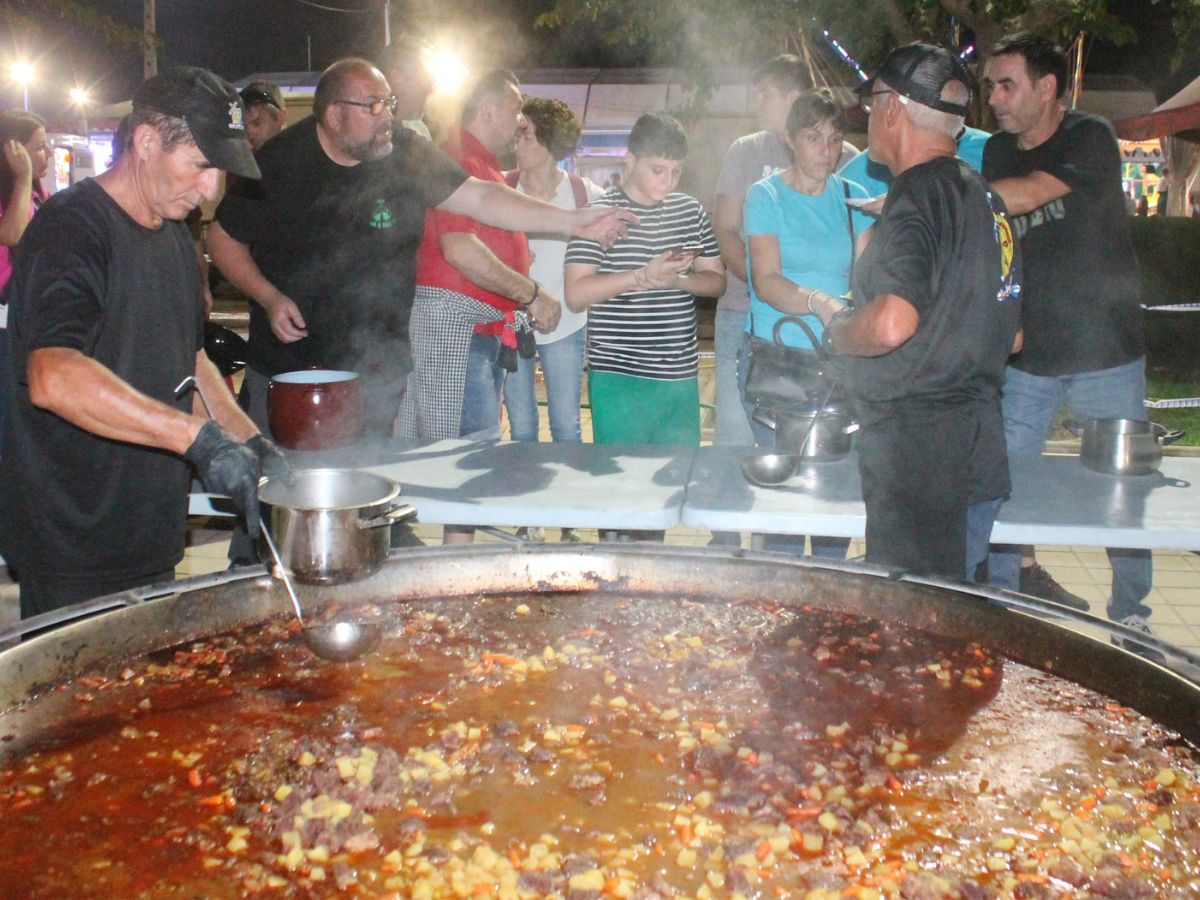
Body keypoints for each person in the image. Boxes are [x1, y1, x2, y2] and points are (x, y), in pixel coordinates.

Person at [209, 58, 631, 561]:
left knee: (365, 495)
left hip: (376, 365)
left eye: (388, 102)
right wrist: (269, 296)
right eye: (372, 106)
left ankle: (359, 582)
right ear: (333, 114)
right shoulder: (278, 164)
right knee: (275, 500)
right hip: (289, 370)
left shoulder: (404, 153)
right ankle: (257, 581)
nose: (387, 115)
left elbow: (481, 198)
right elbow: (222, 239)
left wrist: (573, 222)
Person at [0, 67, 281, 619]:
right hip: (72, 539)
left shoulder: (175, 237)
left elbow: (190, 363)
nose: (210, 189)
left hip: (149, 533)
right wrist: (198, 442)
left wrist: (255, 448)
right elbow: (52, 374)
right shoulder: (71, 229)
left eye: (218, 171)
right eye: (201, 166)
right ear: (147, 142)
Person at [811, 43, 1022, 579]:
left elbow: (890, 323)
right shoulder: (987, 199)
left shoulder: (916, 195)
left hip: (919, 460)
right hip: (977, 455)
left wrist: (839, 330)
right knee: (956, 628)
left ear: (891, 108)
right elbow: (1012, 337)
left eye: (869, 107)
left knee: (915, 640)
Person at [981, 32, 1150, 629]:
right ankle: (1003, 601)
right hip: (1027, 354)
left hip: (1106, 351)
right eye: (991, 86)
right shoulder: (997, 151)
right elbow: (1000, 241)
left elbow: (1026, 197)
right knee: (1002, 482)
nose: (995, 97)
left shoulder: (1090, 136)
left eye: (1008, 84)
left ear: (1047, 87)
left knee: (1124, 493)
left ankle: (1132, 614)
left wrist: (941, 196)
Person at [565, 112, 725, 542]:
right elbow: (576, 293)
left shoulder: (689, 211)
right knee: (618, 498)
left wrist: (678, 281)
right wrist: (641, 277)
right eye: (658, 170)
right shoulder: (599, 214)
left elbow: (716, 280)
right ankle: (611, 581)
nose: (668, 182)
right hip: (619, 375)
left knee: (665, 498)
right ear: (630, 159)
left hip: (677, 376)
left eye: (676, 171)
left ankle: (646, 584)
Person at [742, 90, 872, 560]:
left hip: (838, 364)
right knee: (785, 501)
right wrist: (818, 301)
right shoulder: (766, 196)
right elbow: (768, 280)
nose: (827, 149)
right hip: (782, 361)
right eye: (814, 137)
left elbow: (863, 277)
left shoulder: (853, 198)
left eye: (835, 138)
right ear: (790, 140)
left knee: (833, 495)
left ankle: (827, 604)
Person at [404, 70, 562, 449]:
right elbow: (458, 248)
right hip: (457, 334)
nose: (521, 119)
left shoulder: (483, 162)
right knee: (466, 456)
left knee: (474, 449)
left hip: (478, 333)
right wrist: (533, 293)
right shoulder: (459, 157)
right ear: (488, 111)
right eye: (515, 107)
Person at [712, 55, 811, 455]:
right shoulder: (746, 151)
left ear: (795, 97)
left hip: (808, 320)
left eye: (765, 93)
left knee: (803, 434)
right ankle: (727, 517)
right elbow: (725, 228)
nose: (758, 102)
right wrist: (764, 288)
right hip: (742, 311)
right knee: (735, 433)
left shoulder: (837, 153)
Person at [502, 98, 603, 447]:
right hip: (512, 322)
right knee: (522, 427)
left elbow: (611, 241)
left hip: (567, 322)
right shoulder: (500, 187)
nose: (517, 143)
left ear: (549, 142)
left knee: (566, 426)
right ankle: (523, 494)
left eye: (526, 135)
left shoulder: (583, 193)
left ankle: (567, 495)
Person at [0, 110, 50, 461]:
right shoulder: (19, 190)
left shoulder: (35, 193)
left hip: (24, 318)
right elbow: (12, 233)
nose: (46, 155)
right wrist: (22, 178)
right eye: (39, 148)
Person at [380, 36, 436, 140]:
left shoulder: (420, 130)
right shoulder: (367, 128)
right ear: (397, 78)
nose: (430, 91)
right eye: (425, 82)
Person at [240, 81, 288, 152]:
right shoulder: (242, 160)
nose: (249, 132)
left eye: (257, 124)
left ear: (281, 118)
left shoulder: (304, 156)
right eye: (244, 126)